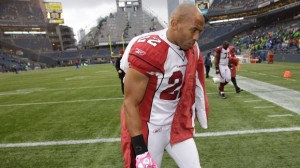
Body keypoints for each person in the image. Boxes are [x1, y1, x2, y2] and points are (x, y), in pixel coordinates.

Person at [120, 3, 209, 168]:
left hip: (177, 126)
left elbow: (196, 82)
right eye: (193, 30)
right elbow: (130, 102)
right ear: (174, 24)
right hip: (151, 128)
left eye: (200, 32)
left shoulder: (193, 49)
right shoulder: (149, 50)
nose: (196, 37)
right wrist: (140, 149)